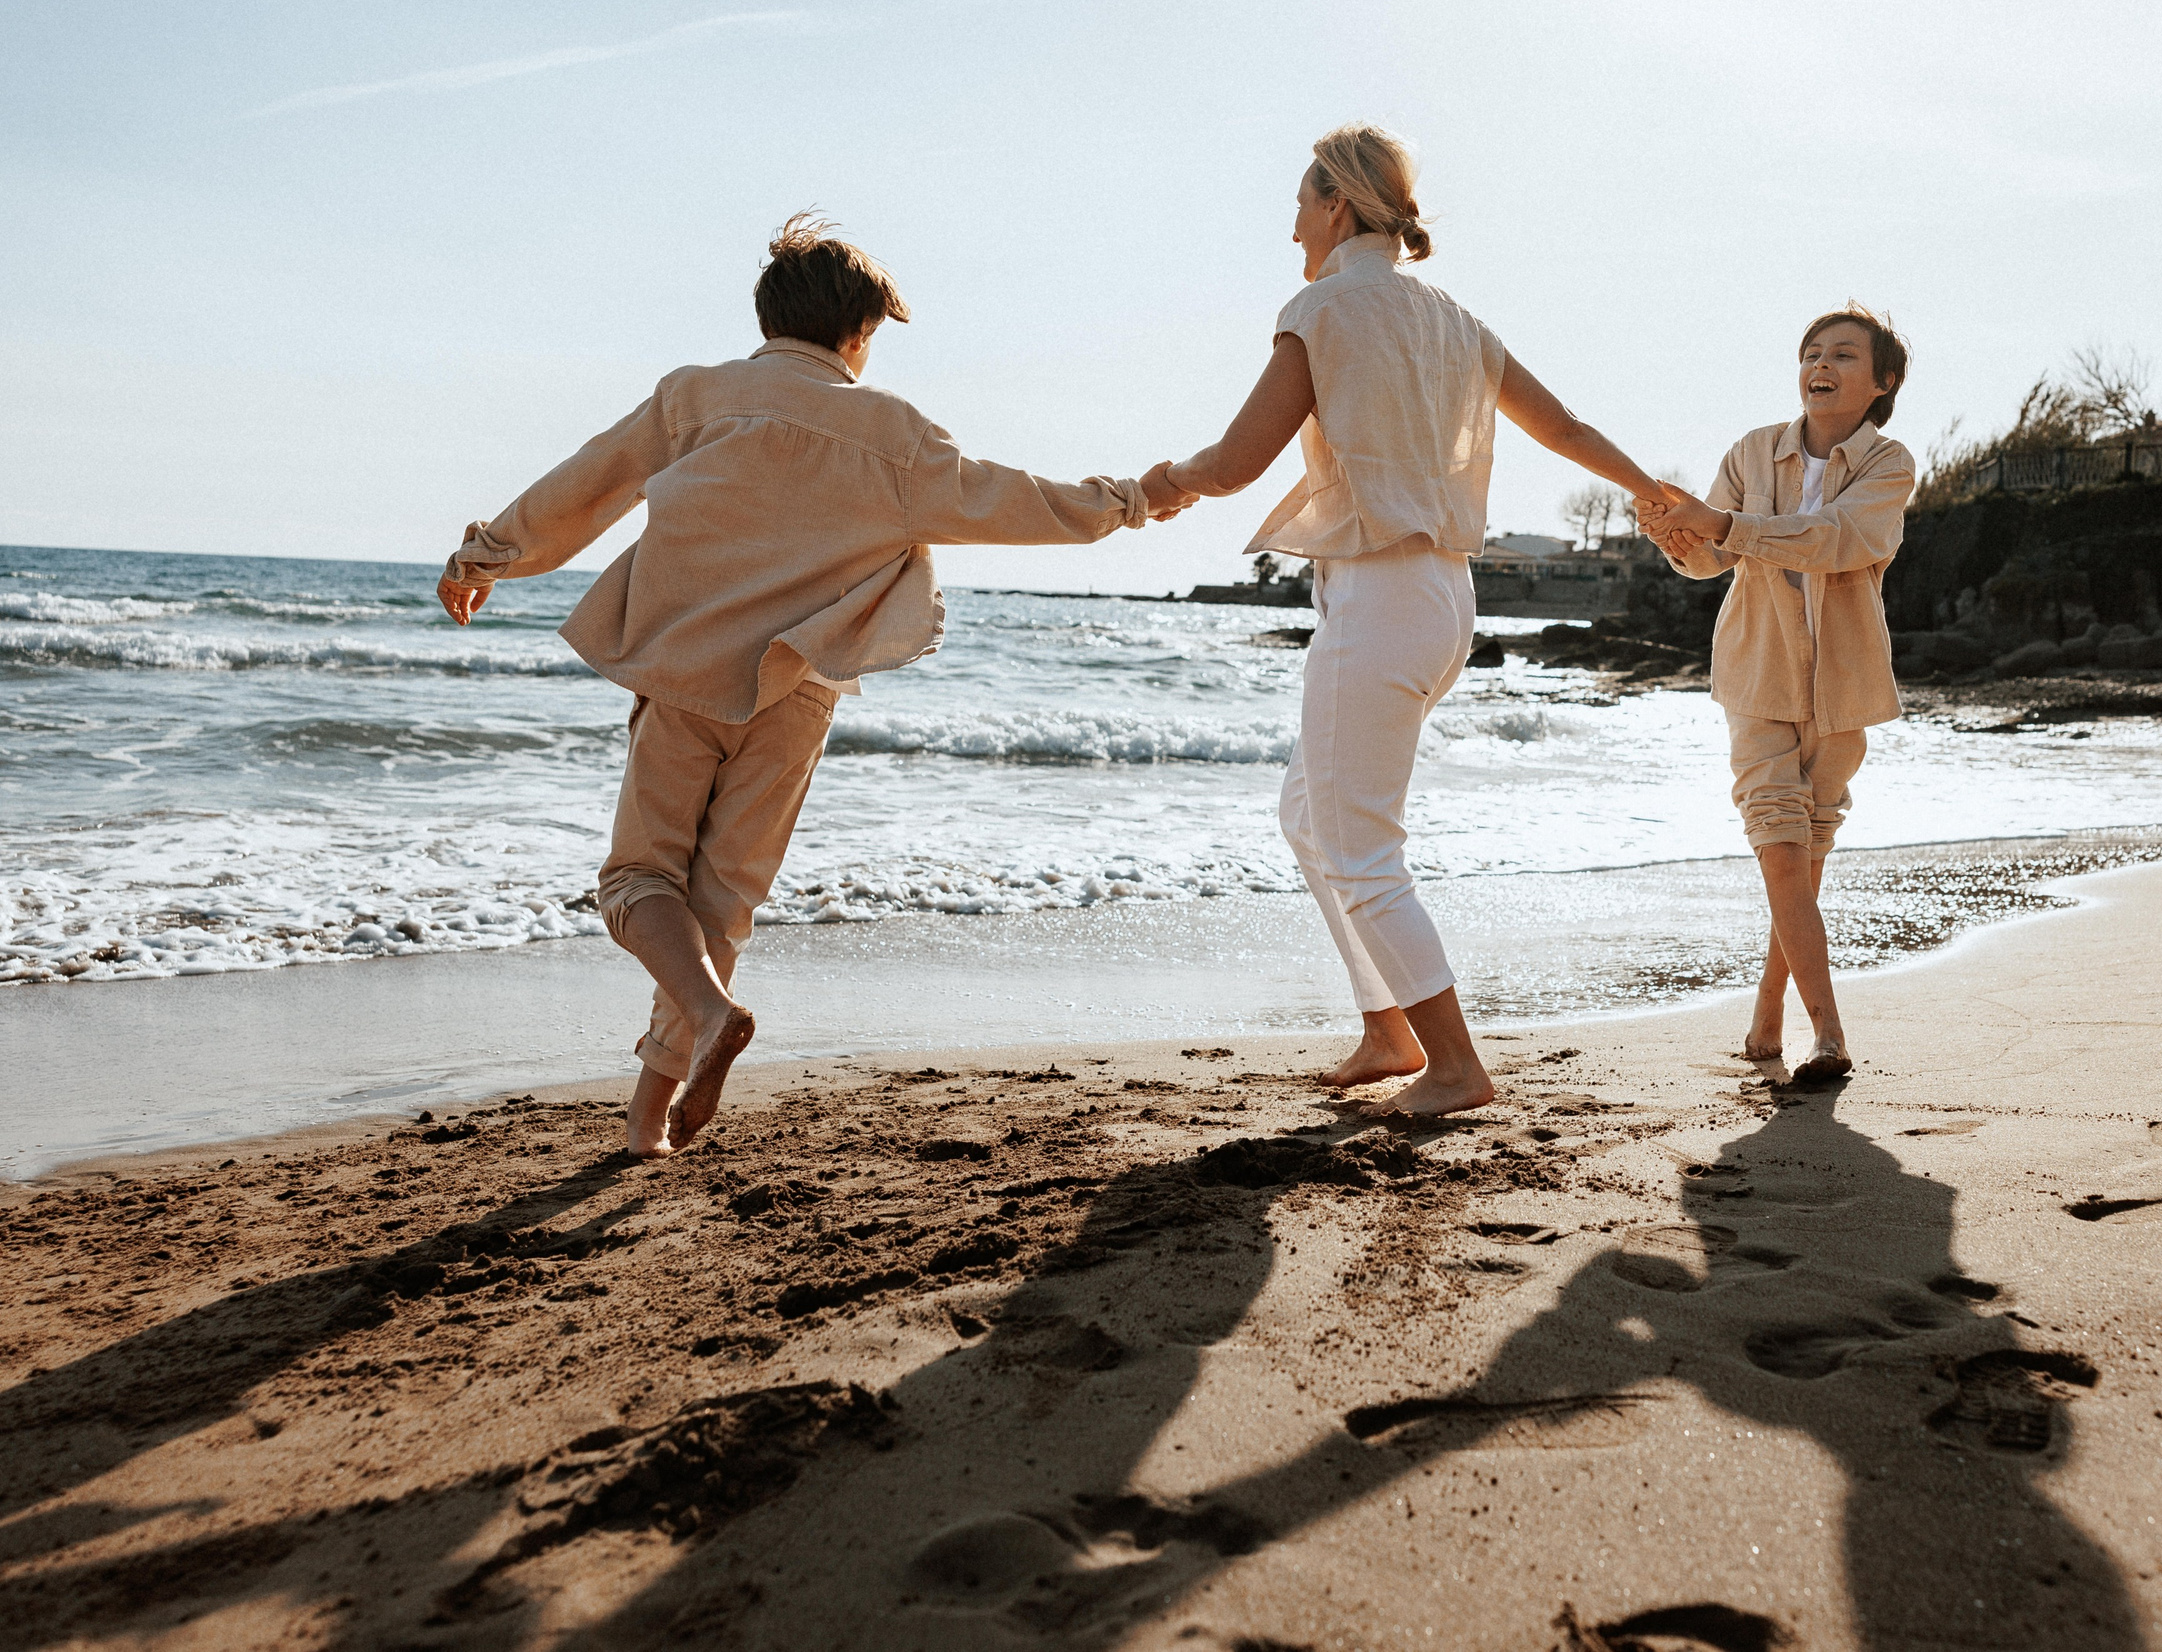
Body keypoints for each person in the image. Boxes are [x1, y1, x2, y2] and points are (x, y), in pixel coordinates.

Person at [437, 214, 1191, 1157]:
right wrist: (1133, 499)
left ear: (768, 316)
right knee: (722, 902)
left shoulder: (695, 398)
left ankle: (707, 1025)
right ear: (859, 334)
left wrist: (488, 555)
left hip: (681, 679)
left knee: (638, 883)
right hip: (797, 693)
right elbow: (1014, 498)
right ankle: (647, 1123)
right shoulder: (894, 435)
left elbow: (587, 483)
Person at [1146, 124, 1669, 1118]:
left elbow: (1233, 462)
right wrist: (1650, 489)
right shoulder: (1455, 319)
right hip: (1441, 604)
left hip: (1382, 600)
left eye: (1302, 202)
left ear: (1335, 205)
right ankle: (1386, 1026)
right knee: (1312, 816)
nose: (1292, 221)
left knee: (1360, 846)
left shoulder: (1323, 305)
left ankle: (1455, 1064)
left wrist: (1150, 489)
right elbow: (1561, 428)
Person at [1636, 307, 1914, 1084]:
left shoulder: (1889, 465)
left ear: (1881, 381)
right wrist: (1672, 534)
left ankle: (1767, 1010)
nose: (1820, 366)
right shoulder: (1751, 453)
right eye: (1811, 353)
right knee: (1782, 850)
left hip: (1844, 689)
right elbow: (1707, 563)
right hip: (1755, 674)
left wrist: (1723, 523)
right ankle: (1828, 1035)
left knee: (1807, 853)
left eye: (1843, 356)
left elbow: (1835, 541)